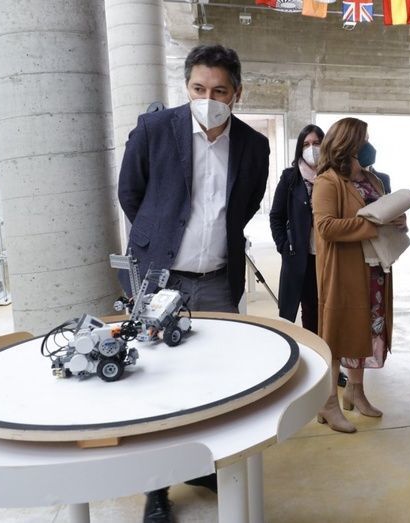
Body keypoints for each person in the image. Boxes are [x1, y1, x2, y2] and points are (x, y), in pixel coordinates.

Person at [118, 44, 270, 523]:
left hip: (219, 280)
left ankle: (201, 467)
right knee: (156, 381)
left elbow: (246, 204)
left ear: (237, 93)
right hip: (161, 278)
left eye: (219, 91)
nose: (208, 99)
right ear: (186, 87)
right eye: (198, 88)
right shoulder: (154, 130)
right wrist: (159, 237)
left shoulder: (253, 145)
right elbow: (130, 193)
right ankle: (156, 487)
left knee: (215, 377)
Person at [312, 117, 405, 433]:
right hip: (344, 271)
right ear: (348, 142)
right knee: (337, 334)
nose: (368, 144)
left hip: (375, 268)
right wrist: (374, 225)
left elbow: (383, 213)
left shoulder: (372, 179)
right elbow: (326, 227)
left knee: (365, 331)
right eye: (363, 138)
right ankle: (328, 403)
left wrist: (398, 220)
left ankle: (355, 391)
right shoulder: (328, 181)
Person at [269, 124, 325, 333]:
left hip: (329, 254)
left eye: (317, 143)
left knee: (330, 307)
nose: (312, 148)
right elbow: (276, 216)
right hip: (303, 255)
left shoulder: (333, 176)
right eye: (306, 144)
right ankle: (315, 349)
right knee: (309, 307)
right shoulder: (290, 177)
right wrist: (283, 246)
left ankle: (332, 350)